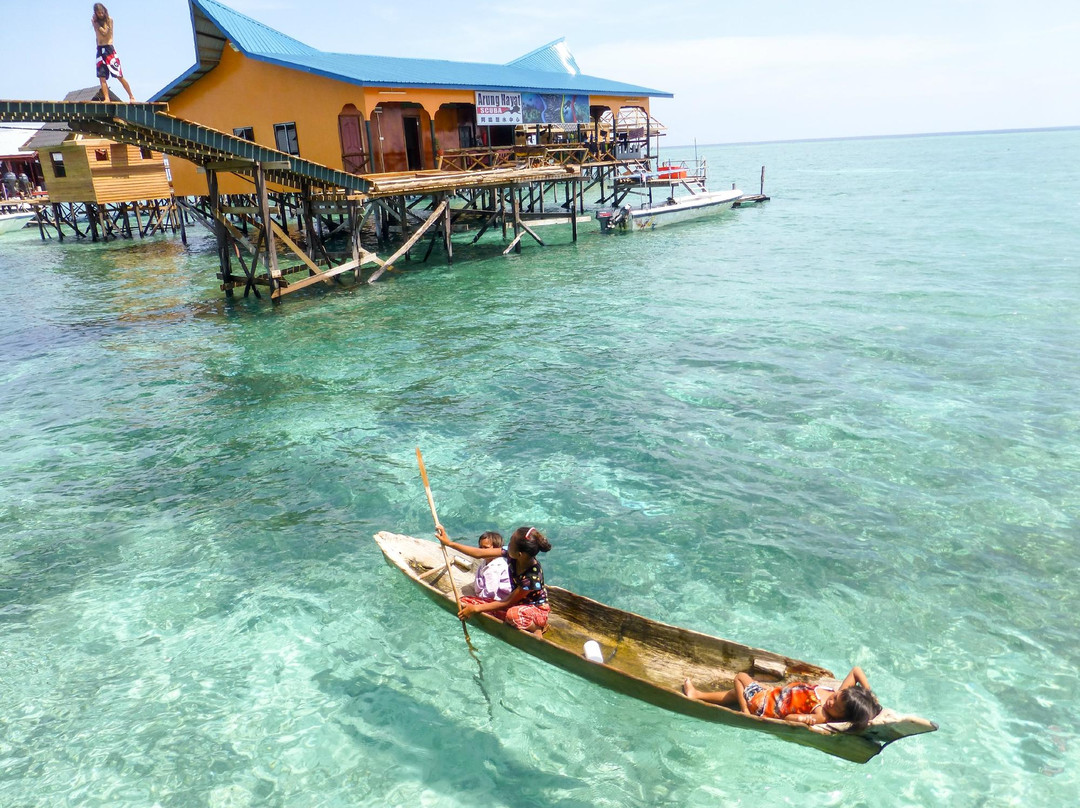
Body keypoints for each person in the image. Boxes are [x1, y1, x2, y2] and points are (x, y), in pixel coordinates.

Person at [682, 666, 882, 732]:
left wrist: (804, 719)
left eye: (836, 708)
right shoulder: (842, 697)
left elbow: (788, 718)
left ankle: (745, 711)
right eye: (836, 697)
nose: (831, 702)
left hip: (764, 704)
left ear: (842, 716)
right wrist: (869, 696)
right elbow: (856, 671)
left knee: (740, 678)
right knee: (735, 693)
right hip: (775, 694)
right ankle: (698, 695)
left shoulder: (821, 713)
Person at [435, 524, 551, 636]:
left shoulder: (532, 576)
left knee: (512, 616)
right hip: (516, 604)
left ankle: (537, 627)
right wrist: (450, 543)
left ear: (520, 554)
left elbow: (507, 602)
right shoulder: (512, 553)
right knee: (465, 603)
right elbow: (479, 553)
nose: (508, 545)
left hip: (535, 609)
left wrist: (476, 609)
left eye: (511, 543)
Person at [92, 4, 136, 102]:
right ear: (95, 13)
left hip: (109, 49)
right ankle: (107, 98)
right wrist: (95, 22)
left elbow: (104, 32)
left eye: (102, 12)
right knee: (101, 76)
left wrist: (96, 23)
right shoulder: (94, 21)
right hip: (100, 49)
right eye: (99, 13)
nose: (101, 14)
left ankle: (131, 96)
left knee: (118, 75)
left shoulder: (109, 20)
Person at [472, 531, 512, 601]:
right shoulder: (486, 562)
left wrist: (479, 596)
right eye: (480, 547)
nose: (482, 550)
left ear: (496, 549)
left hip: (498, 599)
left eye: (486, 548)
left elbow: (490, 593)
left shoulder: (494, 568)